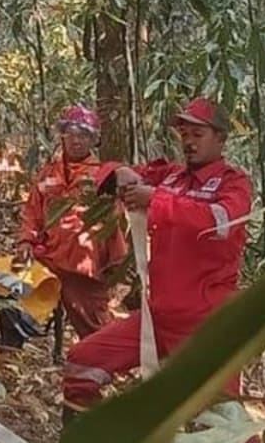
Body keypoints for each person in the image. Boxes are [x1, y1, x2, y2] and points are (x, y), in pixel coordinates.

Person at [62, 97, 252, 423]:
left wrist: (157, 201)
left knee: (224, 422)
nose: (189, 142)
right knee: (82, 363)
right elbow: (107, 174)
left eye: (197, 134)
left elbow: (221, 221)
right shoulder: (171, 176)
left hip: (206, 325)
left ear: (220, 139)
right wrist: (119, 172)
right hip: (157, 319)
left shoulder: (233, 183)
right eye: (184, 135)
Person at [17, 106, 127, 341]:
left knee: (95, 332)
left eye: (84, 135)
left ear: (93, 140)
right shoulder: (49, 172)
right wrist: (26, 241)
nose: (76, 140)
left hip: (83, 268)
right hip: (47, 258)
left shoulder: (103, 175)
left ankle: (107, 371)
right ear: (63, 135)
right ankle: (7, 357)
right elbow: (32, 211)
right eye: (71, 134)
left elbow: (112, 221)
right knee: (7, 295)